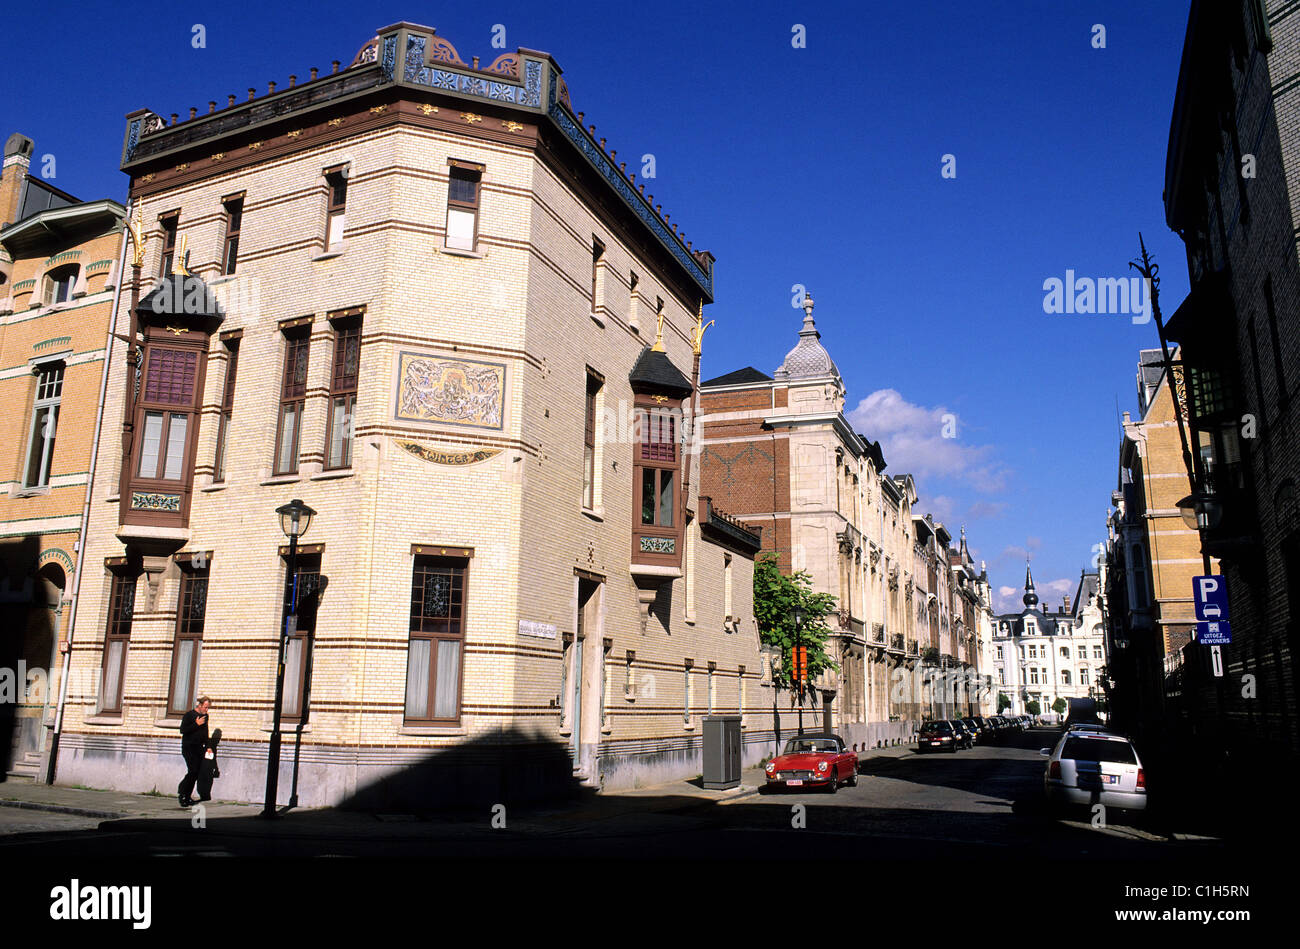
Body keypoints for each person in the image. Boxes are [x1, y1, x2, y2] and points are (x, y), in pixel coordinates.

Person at [178, 696, 210, 807]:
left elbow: (205, 731)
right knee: (193, 770)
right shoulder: (189, 715)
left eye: (208, 708)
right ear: (199, 705)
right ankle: (182, 792)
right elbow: (183, 730)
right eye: (205, 707)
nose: (206, 710)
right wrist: (196, 724)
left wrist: (208, 746)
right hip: (189, 747)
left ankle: (186, 795)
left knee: (195, 773)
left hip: (199, 748)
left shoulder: (205, 716)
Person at [196, 728, 222, 803]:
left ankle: (205, 795)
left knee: (206, 781)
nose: (219, 738)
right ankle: (204, 795)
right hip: (206, 766)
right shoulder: (211, 744)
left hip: (207, 766)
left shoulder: (212, 744)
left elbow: (213, 758)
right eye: (219, 736)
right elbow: (212, 757)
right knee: (205, 781)